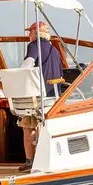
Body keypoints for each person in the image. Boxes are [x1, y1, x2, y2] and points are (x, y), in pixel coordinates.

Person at [18, 21, 63, 172]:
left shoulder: (34, 45)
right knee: (45, 129)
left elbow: (27, 66)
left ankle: (30, 161)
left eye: (29, 32)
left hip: (38, 97)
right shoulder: (55, 51)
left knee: (28, 128)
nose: (28, 35)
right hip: (54, 97)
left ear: (35, 33)